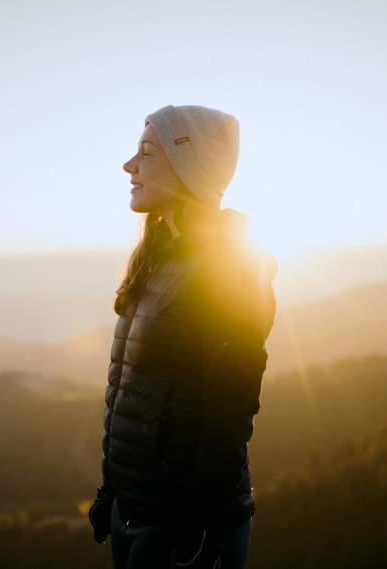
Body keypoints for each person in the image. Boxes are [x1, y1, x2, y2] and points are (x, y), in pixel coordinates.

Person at [88, 104, 277, 569]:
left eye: (146, 153)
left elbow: (229, 411)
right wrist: (112, 492)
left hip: (185, 529)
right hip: (135, 515)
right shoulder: (155, 260)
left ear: (188, 168)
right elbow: (130, 391)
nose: (129, 166)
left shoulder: (227, 266)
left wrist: (192, 521)